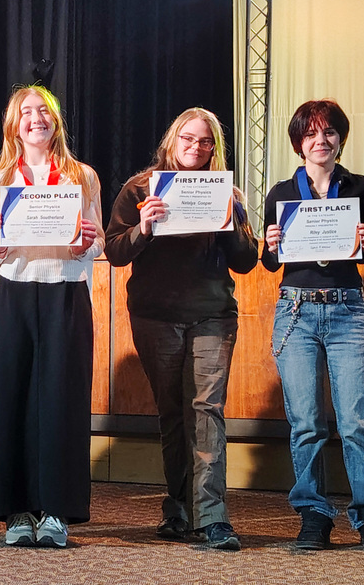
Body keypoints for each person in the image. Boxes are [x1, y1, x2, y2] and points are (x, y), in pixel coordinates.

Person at [105, 107, 257, 550]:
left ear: (215, 148)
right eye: (188, 139)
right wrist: (145, 227)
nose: (196, 148)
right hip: (155, 316)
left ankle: (212, 515)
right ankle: (178, 508)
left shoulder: (227, 191)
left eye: (205, 142)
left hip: (212, 314)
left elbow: (247, 261)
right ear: (172, 141)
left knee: (207, 411)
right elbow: (115, 251)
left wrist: (229, 219)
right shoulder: (139, 188)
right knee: (173, 412)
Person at [262, 99, 364, 554]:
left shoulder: (361, 189)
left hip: (347, 309)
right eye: (312, 134)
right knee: (305, 422)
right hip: (296, 312)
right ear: (299, 142)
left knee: (357, 421)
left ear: (340, 138)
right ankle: (314, 515)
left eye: (329, 132)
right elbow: (269, 260)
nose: (321, 141)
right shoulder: (281, 193)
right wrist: (272, 244)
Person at [0, 85, 104, 548]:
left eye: (45, 111)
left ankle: (57, 511)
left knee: (62, 403)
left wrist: (82, 244)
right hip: (13, 294)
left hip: (66, 294)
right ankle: (17, 513)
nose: (36, 118)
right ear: (14, 124)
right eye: (26, 112)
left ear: (56, 122)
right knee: (10, 399)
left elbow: (98, 242)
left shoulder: (82, 176)